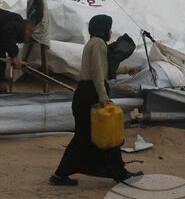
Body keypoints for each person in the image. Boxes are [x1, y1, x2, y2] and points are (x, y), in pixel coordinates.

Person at [50, 15, 143, 187]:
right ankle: (120, 174)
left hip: (85, 93)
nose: (110, 32)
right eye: (109, 28)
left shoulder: (93, 43)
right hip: (91, 94)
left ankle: (59, 175)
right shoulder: (99, 44)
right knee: (109, 134)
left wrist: (124, 69)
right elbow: (98, 73)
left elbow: (102, 67)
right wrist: (103, 98)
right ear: (102, 28)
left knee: (84, 137)